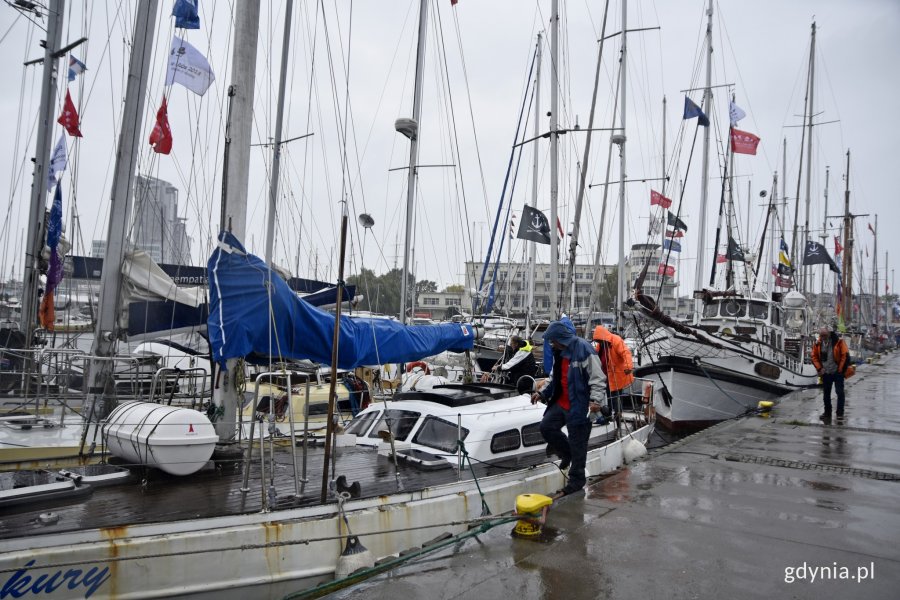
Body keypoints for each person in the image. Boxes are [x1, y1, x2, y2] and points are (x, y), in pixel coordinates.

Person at [531, 320, 607, 496]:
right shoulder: (559, 352)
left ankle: (576, 482)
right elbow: (554, 378)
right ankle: (566, 453)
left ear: (561, 338)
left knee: (578, 444)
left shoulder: (584, 349)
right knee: (546, 427)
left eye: (553, 340)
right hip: (561, 402)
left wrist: (595, 401)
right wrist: (542, 393)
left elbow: (598, 379)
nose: (551, 344)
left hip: (579, 406)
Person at [591, 325, 635, 423]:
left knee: (616, 397)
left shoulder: (616, 340)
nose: (599, 342)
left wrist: (628, 366)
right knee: (608, 396)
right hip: (605, 376)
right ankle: (608, 415)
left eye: (599, 340)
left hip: (617, 376)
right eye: (597, 341)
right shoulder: (601, 345)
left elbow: (626, 353)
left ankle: (618, 416)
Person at [811, 325, 850, 421]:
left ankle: (840, 413)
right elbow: (814, 356)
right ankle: (827, 413)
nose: (822, 337)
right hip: (826, 372)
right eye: (821, 335)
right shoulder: (818, 343)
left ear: (829, 334)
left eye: (824, 335)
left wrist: (840, 370)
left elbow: (845, 356)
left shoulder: (839, 342)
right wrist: (820, 369)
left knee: (840, 392)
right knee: (826, 394)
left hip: (837, 372)